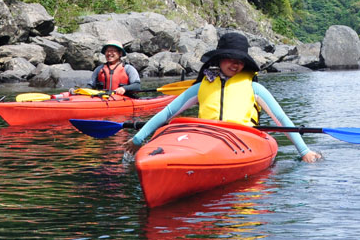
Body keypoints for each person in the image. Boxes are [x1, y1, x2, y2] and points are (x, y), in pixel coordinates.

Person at [129, 31, 322, 162]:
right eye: (230, 58)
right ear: (219, 59)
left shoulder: (254, 88)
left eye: (240, 61)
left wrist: (304, 151)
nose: (235, 64)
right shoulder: (201, 87)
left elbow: (281, 119)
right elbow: (168, 112)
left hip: (243, 140)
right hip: (205, 138)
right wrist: (138, 139)